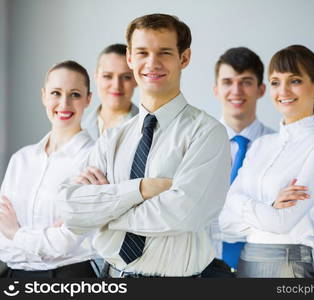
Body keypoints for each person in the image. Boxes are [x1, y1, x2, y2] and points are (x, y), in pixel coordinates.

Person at [58, 13, 230, 278]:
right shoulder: (112, 138)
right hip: (111, 277)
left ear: (184, 58)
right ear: (130, 58)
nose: (152, 63)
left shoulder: (207, 133)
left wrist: (105, 213)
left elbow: (184, 214)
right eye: (142, 53)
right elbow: (70, 209)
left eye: (164, 52)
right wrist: (141, 189)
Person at [219, 45, 314, 278]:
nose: (282, 90)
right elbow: (224, 224)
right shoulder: (261, 144)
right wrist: (270, 207)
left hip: (287, 265)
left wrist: (240, 203)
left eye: (294, 81)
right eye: (275, 82)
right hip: (247, 261)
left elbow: (282, 223)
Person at [0, 61, 96, 278]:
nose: (64, 103)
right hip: (15, 276)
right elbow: (1, 238)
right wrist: (45, 241)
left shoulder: (93, 158)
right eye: (56, 93)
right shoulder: (21, 159)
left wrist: (16, 233)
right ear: (44, 96)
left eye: (75, 94)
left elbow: (66, 242)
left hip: (69, 278)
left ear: (88, 99)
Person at [203, 47, 274, 277]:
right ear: (216, 89)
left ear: (261, 89)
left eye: (246, 82)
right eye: (227, 82)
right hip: (205, 263)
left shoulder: (278, 146)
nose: (236, 90)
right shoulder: (197, 143)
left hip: (263, 263)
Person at [82, 43, 138, 140]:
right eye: (107, 76)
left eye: (126, 77)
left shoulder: (147, 129)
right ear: (96, 78)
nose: (116, 85)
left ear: (136, 80)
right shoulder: (80, 128)